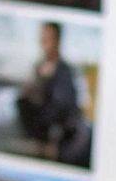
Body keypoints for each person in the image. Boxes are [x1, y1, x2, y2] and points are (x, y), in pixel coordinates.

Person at [16, 21, 93, 166]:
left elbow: (66, 108)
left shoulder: (66, 72)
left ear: (57, 40)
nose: (44, 42)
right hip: (38, 133)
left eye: (48, 38)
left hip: (63, 137)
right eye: (42, 38)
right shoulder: (37, 68)